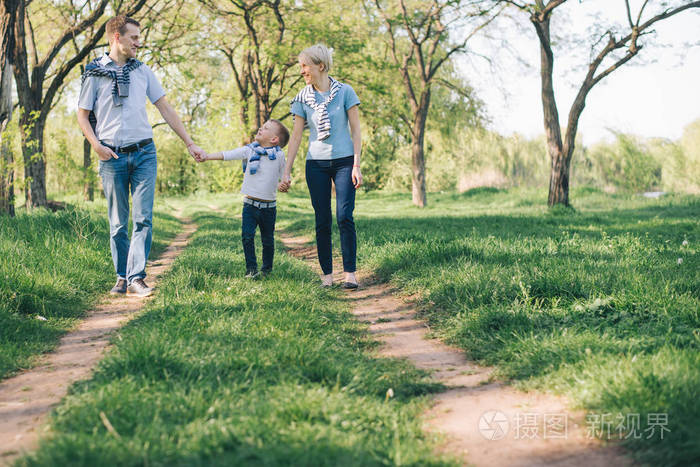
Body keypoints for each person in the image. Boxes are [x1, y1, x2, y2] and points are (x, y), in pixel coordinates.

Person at [77, 15, 205, 297]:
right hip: (111, 156)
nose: (139, 42)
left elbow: (165, 108)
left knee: (143, 218)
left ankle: (137, 277)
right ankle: (121, 277)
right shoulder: (95, 73)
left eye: (138, 36)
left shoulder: (142, 71)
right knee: (118, 223)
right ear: (116, 37)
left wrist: (189, 143)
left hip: (145, 152)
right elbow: (83, 116)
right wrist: (96, 146)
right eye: (133, 37)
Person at [279, 44, 362, 289]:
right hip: (315, 164)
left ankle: (350, 273)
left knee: (345, 216)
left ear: (321, 66)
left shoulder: (345, 92)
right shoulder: (302, 98)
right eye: (301, 66)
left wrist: (357, 164)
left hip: (345, 161)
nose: (302, 71)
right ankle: (327, 275)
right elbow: (295, 137)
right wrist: (287, 169)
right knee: (322, 219)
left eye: (305, 66)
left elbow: (356, 130)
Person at [199, 120, 289, 278]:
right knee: (247, 236)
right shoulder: (250, 151)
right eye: (262, 126)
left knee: (267, 240)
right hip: (250, 205)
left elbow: (284, 176)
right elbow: (228, 154)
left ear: (274, 139)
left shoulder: (279, 156)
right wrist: (207, 157)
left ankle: (267, 270)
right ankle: (251, 269)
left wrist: (285, 184)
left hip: (269, 208)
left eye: (266, 128)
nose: (261, 128)